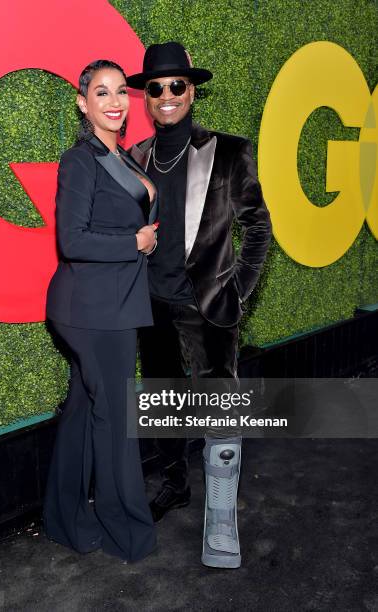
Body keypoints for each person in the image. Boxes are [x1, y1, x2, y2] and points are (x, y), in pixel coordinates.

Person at [126, 42, 272, 568]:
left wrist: (240, 287)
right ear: (146, 97)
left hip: (207, 305)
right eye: (156, 88)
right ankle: (173, 484)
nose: (166, 96)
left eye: (177, 86)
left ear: (192, 91)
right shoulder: (134, 156)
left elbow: (258, 225)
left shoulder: (229, 151)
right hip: (150, 305)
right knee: (162, 400)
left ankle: (221, 515)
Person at [43, 59, 159, 563]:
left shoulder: (125, 158)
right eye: (101, 93)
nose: (114, 102)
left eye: (120, 93)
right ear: (82, 102)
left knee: (84, 413)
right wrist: (133, 241)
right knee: (114, 419)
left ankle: (65, 520)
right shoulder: (80, 160)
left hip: (112, 303)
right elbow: (72, 239)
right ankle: (125, 531)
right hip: (91, 310)